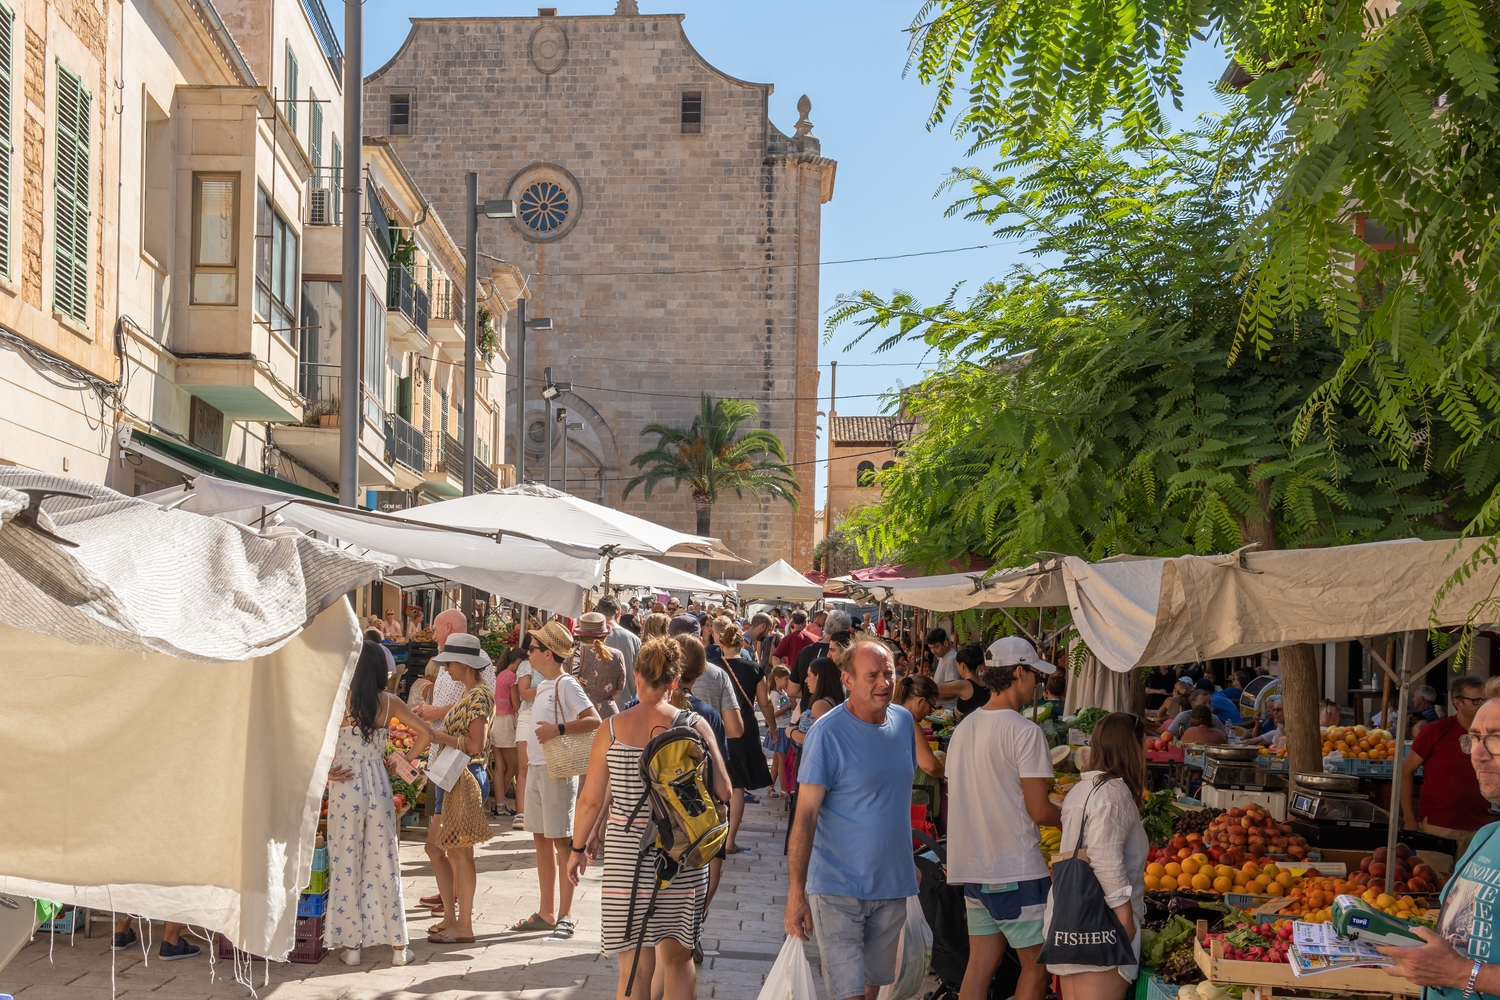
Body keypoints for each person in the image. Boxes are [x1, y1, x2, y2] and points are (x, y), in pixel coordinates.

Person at [567, 638, 730, 1000]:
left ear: (636, 677)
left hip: (628, 859)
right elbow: (725, 791)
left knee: (634, 969)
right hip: (683, 854)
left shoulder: (608, 730)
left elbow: (591, 801)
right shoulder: (694, 724)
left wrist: (578, 847)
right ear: (674, 682)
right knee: (678, 961)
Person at [784, 639, 917, 1000]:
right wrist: (796, 891)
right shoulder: (827, 733)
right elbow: (806, 816)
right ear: (847, 679)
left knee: (873, 991)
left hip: (891, 884)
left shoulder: (904, 721)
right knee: (850, 995)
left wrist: (908, 857)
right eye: (872, 675)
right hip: (837, 887)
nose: (884, 682)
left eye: (888, 673)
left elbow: (892, 798)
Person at [945, 635, 1063, 1000]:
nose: (1038, 683)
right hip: (1014, 869)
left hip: (973, 868)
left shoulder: (963, 730)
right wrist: (1078, 816)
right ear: (1018, 673)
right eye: (1034, 674)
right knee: (1037, 966)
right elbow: (1040, 810)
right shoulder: (1025, 733)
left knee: (980, 964)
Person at [1376, 696, 1500, 998]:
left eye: (1496, 739)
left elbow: (1457, 967)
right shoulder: (1487, 836)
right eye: (1474, 738)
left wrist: (1460, 973)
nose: (1479, 754)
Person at [325, 640, 431, 965]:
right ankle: (399, 947)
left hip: (346, 785)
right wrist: (403, 758)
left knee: (346, 862)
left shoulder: (340, 701)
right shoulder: (390, 702)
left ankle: (352, 948)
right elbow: (425, 733)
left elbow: (313, 741)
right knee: (384, 863)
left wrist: (329, 769)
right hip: (380, 786)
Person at [1043, 712, 1149, 1000]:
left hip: (1071, 918)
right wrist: (1125, 917)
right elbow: (1103, 857)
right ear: (1132, 747)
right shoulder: (1114, 793)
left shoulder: (1082, 788)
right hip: (1101, 923)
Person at [516, 620, 602, 940]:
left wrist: (558, 730)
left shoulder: (566, 684)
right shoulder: (544, 686)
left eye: (534, 648)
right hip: (539, 769)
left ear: (549, 654)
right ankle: (546, 911)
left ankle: (565, 914)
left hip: (558, 771)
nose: (529, 651)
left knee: (561, 843)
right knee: (541, 841)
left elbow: (594, 719)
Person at [422, 633, 494, 945]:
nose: (445, 669)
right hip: (452, 778)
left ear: (463, 663)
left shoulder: (478, 696)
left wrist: (443, 739)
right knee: (438, 849)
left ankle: (463, 925)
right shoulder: (471, 693)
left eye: (449, 663)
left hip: (464, 777)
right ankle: (452, 918)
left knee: (460, 854)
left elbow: (477, 745)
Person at [1402, 675, 1491, 856]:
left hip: (1478, 828)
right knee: (1433, 881)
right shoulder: (1436, 731)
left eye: (1484, 700)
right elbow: (1406, 772)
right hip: (1438, 826)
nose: (1481, 705)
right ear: (1457, 702)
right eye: (1475, 700)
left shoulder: (1491, 735)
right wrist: (1410, 819)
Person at [718, 622, 777, 853]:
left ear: (720, 643)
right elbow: (765, 702)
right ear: (742, 643)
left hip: (717, 728)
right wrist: (772, 727)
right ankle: (730, 840)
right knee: (738, 785)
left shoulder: (710, 667)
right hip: (744, 729)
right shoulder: (754, 669)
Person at [668, 619, 744, 740]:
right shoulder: (718, 674)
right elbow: (735, 730)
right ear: (700, 642)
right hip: (708, 751)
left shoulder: (657, 677)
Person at [490, 647, 523, 817]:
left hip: (495, 720)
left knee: (500, 766)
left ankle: (499, 803)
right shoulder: (512, 677)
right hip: (506, 721)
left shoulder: (501, 674)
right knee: (514, 765)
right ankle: (499, 802)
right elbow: (516, 705)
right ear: (519, 662)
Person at [791, 610, 854, 699]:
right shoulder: (842, 658)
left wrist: (809, 696)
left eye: (832, 650)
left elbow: (792, 691)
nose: (829, 655)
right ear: (846, 630)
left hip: (808, 708)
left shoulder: (805, 651)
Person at [576, 611, 627, 719]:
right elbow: (618, 692)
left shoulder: (571, 656)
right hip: (608, 714)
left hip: (581, 714)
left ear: (581, 635)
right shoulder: (616, 655)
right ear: (605, 635)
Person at [896, 674, 946, 779]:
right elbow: (930, 766)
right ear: (920, 701)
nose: (929, 714)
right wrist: (947, 778)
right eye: (931, 707)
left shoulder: (892, 713)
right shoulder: (909, 722)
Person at [598, 596, 642, 702]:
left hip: (597, 706)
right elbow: (639, 676)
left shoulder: (590, 638)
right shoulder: (635, 640)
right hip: (626, 705)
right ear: (618, 613)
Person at [933, 642, 989, 718]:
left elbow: (934, 687)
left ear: (962, 665)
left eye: (957, 666)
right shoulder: (985, 681)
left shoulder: (964, 685)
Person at [767, 664, 795, 796]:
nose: (788, 682)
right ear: (777, 679)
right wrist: (788, 706)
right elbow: (774, 713)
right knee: (782, 761)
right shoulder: (774, 694)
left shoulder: (782, 693)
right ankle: (784, 789)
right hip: (780, 729)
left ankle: (770, 787)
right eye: (786, 679)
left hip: (785, 728)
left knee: (777, 761)